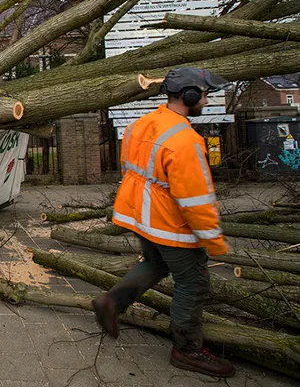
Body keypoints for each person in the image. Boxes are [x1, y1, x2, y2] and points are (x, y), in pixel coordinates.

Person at [91, 67, 235, 378]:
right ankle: (187, 349)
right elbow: (195, 201)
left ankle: (111, 303)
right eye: (204, 94)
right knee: (193, 285)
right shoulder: (186, 140)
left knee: (156, 265)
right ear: (189, 96)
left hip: (141, 217)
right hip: (171, 225)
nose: (206, 100)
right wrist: (213, 239)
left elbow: (129, 167)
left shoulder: (141, 125)